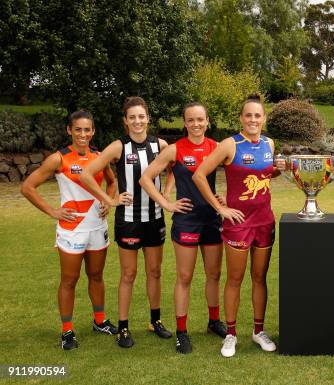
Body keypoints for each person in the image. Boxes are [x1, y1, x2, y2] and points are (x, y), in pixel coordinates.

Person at [21, 110, 118, 350]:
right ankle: (67, 331)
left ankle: (99, 321)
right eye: (78, 129)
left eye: (87, 130)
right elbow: (28, 187)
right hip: (72, 230)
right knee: (69, 280)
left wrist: (108, 200)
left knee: (96, 276)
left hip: (97, 226)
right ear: (69, 131)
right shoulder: (58, 158)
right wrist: (53, 212)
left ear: (93, 131)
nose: (83, 134)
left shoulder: (99, 155)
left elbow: (112, 182)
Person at [80, 96, 173, 348]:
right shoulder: (118, 147)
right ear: (125, 121)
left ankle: (155, 321)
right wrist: (109, 200)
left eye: (141, 116)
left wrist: (167, 192)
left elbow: (174, 167)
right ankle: (123, 327)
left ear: (148, 118)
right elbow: (87, 175)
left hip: (155, 219)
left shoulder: (161, 145)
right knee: (128, 274)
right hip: (129, 221)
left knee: (155, 272)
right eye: (132, 117)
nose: (137, 121)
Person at [192, 94, 280, 358]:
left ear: (264, 118)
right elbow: (199, 174)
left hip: (265, 221)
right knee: (235, 279)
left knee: (259, 278)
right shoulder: (230, 144)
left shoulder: (269, 143)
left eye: (258, 115)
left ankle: (258, 331)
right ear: (241, 118)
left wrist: (276, 170)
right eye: (248, 115)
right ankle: (230, 334)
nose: (253, 120)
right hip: (238, 224)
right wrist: (220, 208)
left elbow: (263, 175)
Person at [140, 102, 227, 354]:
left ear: (207, 121)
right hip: (187, 220)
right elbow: (145, 178)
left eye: (200, 119)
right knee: (185, 277)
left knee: (213, 275)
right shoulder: (175, 149)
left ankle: (213, 322)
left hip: (211, 219)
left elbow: (235, 175)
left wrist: (222, 199)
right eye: (191, 120)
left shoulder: (216, 147)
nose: (196, 124)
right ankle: (181, 331)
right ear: (185, 122)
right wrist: (167, 203)